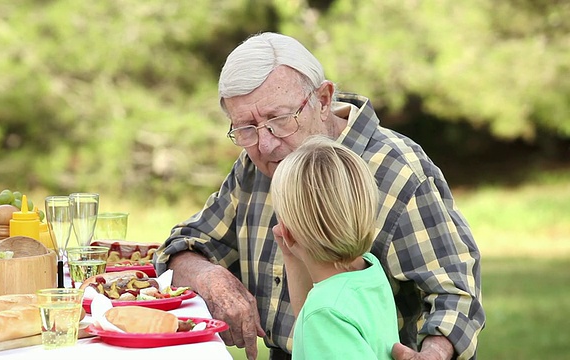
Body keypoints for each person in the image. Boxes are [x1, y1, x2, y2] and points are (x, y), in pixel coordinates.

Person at [154, 32, 485, 360]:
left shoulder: (397, 171)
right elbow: (185, 245)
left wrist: (433, 355)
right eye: (245, 128)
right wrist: (208, 277)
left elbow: (455, 294)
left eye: (279, 119)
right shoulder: (257, 164)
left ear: (323, 100)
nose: (265, 144)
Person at [270, 135, 400, 359]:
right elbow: (311, 329)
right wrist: (291, 257)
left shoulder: (325, 313)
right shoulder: (368, 270)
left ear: (287, 233)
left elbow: (320, 318)